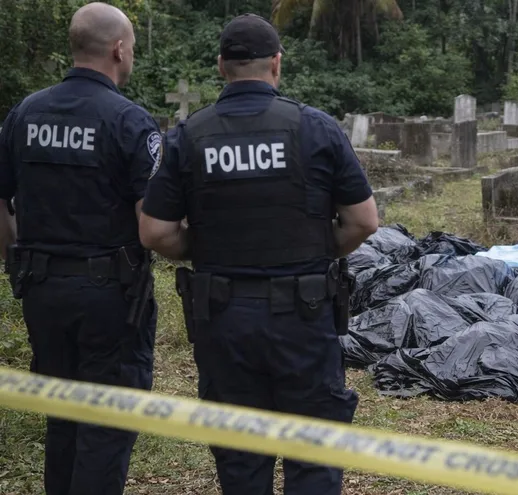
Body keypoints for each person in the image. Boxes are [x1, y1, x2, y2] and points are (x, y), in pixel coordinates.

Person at [138, 13, 379, 495]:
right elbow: (363, 221)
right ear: (277, 64)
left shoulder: (188, 137)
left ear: (221, 67)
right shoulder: (315, 128)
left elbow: (156, 232)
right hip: (304, 318)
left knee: (241, 461)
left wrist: (202, 247)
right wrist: (315, 250)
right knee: (313, 457)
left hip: (223, 318)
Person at [0, 3, 159, 495]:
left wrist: (15, 261)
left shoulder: (25, 113)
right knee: (106, 425)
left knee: (63, 416)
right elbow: (150, 226)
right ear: (118, 49)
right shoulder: (129, 122)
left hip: (42, 291)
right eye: (130, 48)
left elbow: (1, 200)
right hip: (109, 297)